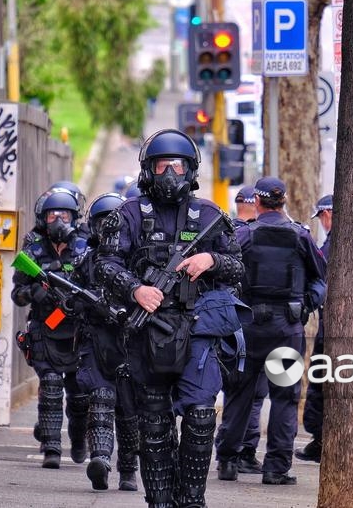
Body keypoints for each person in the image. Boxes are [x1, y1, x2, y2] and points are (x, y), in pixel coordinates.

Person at [95, 129, 246, 508]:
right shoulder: (127, 215)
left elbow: (238, 268)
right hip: (149, 333)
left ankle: (191, 499)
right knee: (155, 425)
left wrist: (211, 260)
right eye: (162, 165)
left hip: (197, 331)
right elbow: (104, 265)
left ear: (190, 169)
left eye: (177, 166)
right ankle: (160, 501)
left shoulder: (210, 216)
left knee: (199, 416)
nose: (170, 174)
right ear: (148, 170)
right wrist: (136, 290)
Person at [215, 177, 326, 486]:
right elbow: (320, 279)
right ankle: (276, 468)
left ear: (258, 203)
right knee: (284, 399)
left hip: (247, 331)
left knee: (238, 395)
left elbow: (223, 277)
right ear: (283, 201)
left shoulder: (244, 236)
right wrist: (306, 305)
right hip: (286, 330)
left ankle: (227, 461)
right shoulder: (301, 237)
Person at [12, 188, 90, 469]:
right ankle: (52, 447)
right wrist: (35, 292)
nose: (58, 219)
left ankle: (79, 438)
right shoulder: (32, 249)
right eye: (52, 214)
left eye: (64, 214)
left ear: (74, 216)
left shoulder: (84, 246)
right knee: (52, 386)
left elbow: (97, 286)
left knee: (80, 395)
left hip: (78, 331)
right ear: (42, 218)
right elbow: (17, 294)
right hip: (46, 328)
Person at [72, 192, 139, 492]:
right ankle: (100, 459)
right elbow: (71, 301)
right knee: (100, 397)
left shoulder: (137, 258)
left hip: (131, 339)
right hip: (96, 338)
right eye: (102, 222)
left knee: (129, 409)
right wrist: (85, 304)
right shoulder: (85, 260)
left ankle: (129, 470)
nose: (107, 228)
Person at [214, 184, 267, 474]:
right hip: (256, 325)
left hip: (225, 323)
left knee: (229, 389)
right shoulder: (260, 235)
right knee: (254, 394)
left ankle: (227, 452)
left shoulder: (222, 233)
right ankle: (243, 451)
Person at [295, 193, 333, 463]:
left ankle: (320, 440)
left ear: (327, 214)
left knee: (320, 381)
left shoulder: (330, 246)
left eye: (320, 216)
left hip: (330, 326)